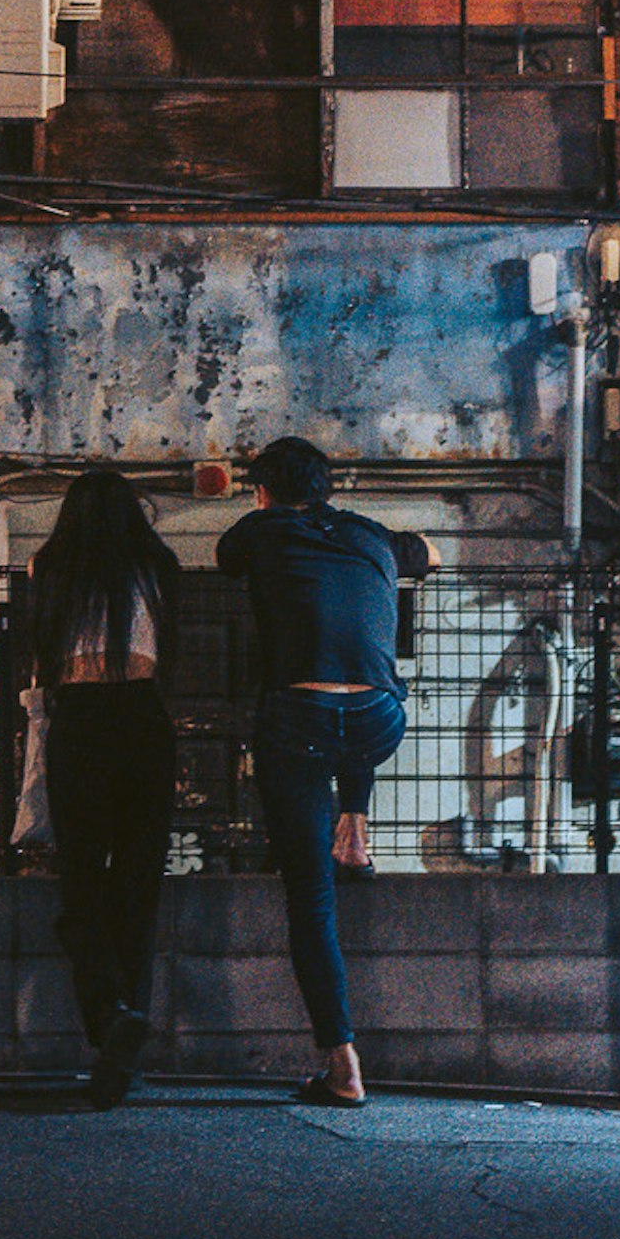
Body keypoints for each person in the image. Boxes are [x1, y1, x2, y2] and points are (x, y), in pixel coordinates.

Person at [214, 436, 431, 1108]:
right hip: (378, 719)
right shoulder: (371, 533)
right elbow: (430, 553)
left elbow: (226, 562)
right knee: (354, 721)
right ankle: (357, 827)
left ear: (263, 490)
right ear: (327, 487)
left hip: (298, 717)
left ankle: (343, 1063)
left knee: (311, 897)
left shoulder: (257, 527)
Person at [23, 464, 182, 1111]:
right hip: (145, 718)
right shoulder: (159, 568)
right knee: (139, 885)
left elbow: (41, 657)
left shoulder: (50, 568)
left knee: (81, 879)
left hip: (81, 721)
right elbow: (170, 656)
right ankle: (128, 1040)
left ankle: (110, 1012)